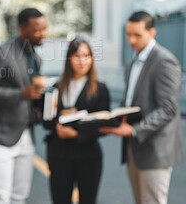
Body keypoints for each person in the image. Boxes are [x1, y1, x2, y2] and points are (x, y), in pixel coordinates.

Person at [100, 11, 185, 204]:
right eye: (128, 34)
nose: (131, 39)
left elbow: (169, 109)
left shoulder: (164, 61)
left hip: (155, 149)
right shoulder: (131, 63)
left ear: (152, 32)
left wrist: (134, 130)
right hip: (134, 147)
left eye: (137, 35)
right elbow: (131, 101)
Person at [0, 8, 47, 204]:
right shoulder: (1, 52)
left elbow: (31, 97)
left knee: (19, 197)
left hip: (26, 136)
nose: (42, 34)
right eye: (36, 30)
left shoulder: (36, 57)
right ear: (22, 29)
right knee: (0, 198)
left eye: (44, 28)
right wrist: (21, 94)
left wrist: (38, 110)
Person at [43, 38, 110, 204]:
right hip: (60, 156)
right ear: (69, 59)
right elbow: (46, 121)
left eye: (87, 56)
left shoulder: (100, 89)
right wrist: (59, 120)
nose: (82, 61)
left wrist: (76, 133)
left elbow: (103, 124)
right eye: (77, 56)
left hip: (88, 156)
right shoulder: (56, 87)